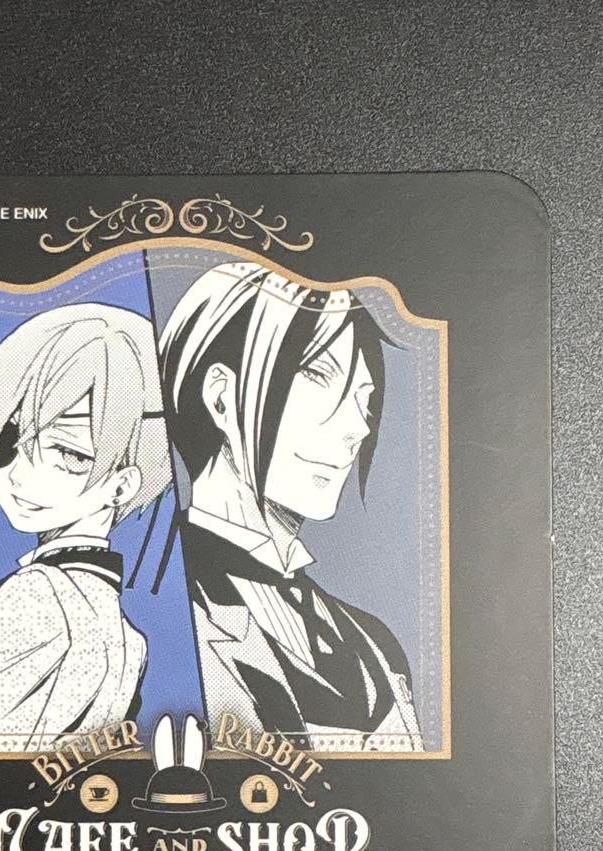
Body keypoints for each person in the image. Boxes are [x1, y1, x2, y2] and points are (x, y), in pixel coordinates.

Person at [159, 261, 423, 753]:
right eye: (319, 375)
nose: (358, 428)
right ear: (221, 397)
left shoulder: (375, 645)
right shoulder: (158, 623)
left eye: (364, 399)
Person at [0, 302, 170, 752]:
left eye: (69, 454)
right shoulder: (127, 640)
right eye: (9, 439)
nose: (19, 474)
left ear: (122, 484)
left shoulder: (35, 598)